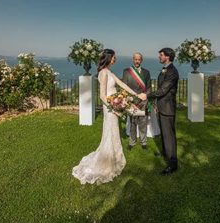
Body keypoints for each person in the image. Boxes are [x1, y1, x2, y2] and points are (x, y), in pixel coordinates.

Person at [72, 49, 138, 184]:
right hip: (110, 108)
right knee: (110, 131)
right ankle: (108, 160)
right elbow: (102, 95)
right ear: (108, 58)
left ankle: (115, 157)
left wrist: (136, 95)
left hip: (114, 106)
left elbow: (122, 85)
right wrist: (113, 107)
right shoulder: (103, 73)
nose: (115, 59)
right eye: (114, 57)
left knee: (114, 132)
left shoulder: (110, 72)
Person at [138, 48, 179, 175]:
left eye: (161, 55)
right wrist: (156, 103)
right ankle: (165, 153)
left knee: (169, 135)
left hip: (167, 107)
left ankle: (173, 164)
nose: (159, 57)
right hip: (162, 106)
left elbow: (163, 90)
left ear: (168, 57)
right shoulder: (165, 69)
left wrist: (147, 96)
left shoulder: (172, 72)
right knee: (164, 133)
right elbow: (161, 89)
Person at [122, 52, 152, 150]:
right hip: (132, 101)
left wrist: (144, 97)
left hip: (143, 101)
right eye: (135, 59)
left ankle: (143, 142)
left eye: (139, 59)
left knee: (143, 122)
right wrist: (131, 101)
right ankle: (132, 142)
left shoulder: (146, 72)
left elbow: (148, 88)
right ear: (133, 59)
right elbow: (125, 88)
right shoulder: (126, 71)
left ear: (141, 60)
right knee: (132, 123)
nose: (137, 61)